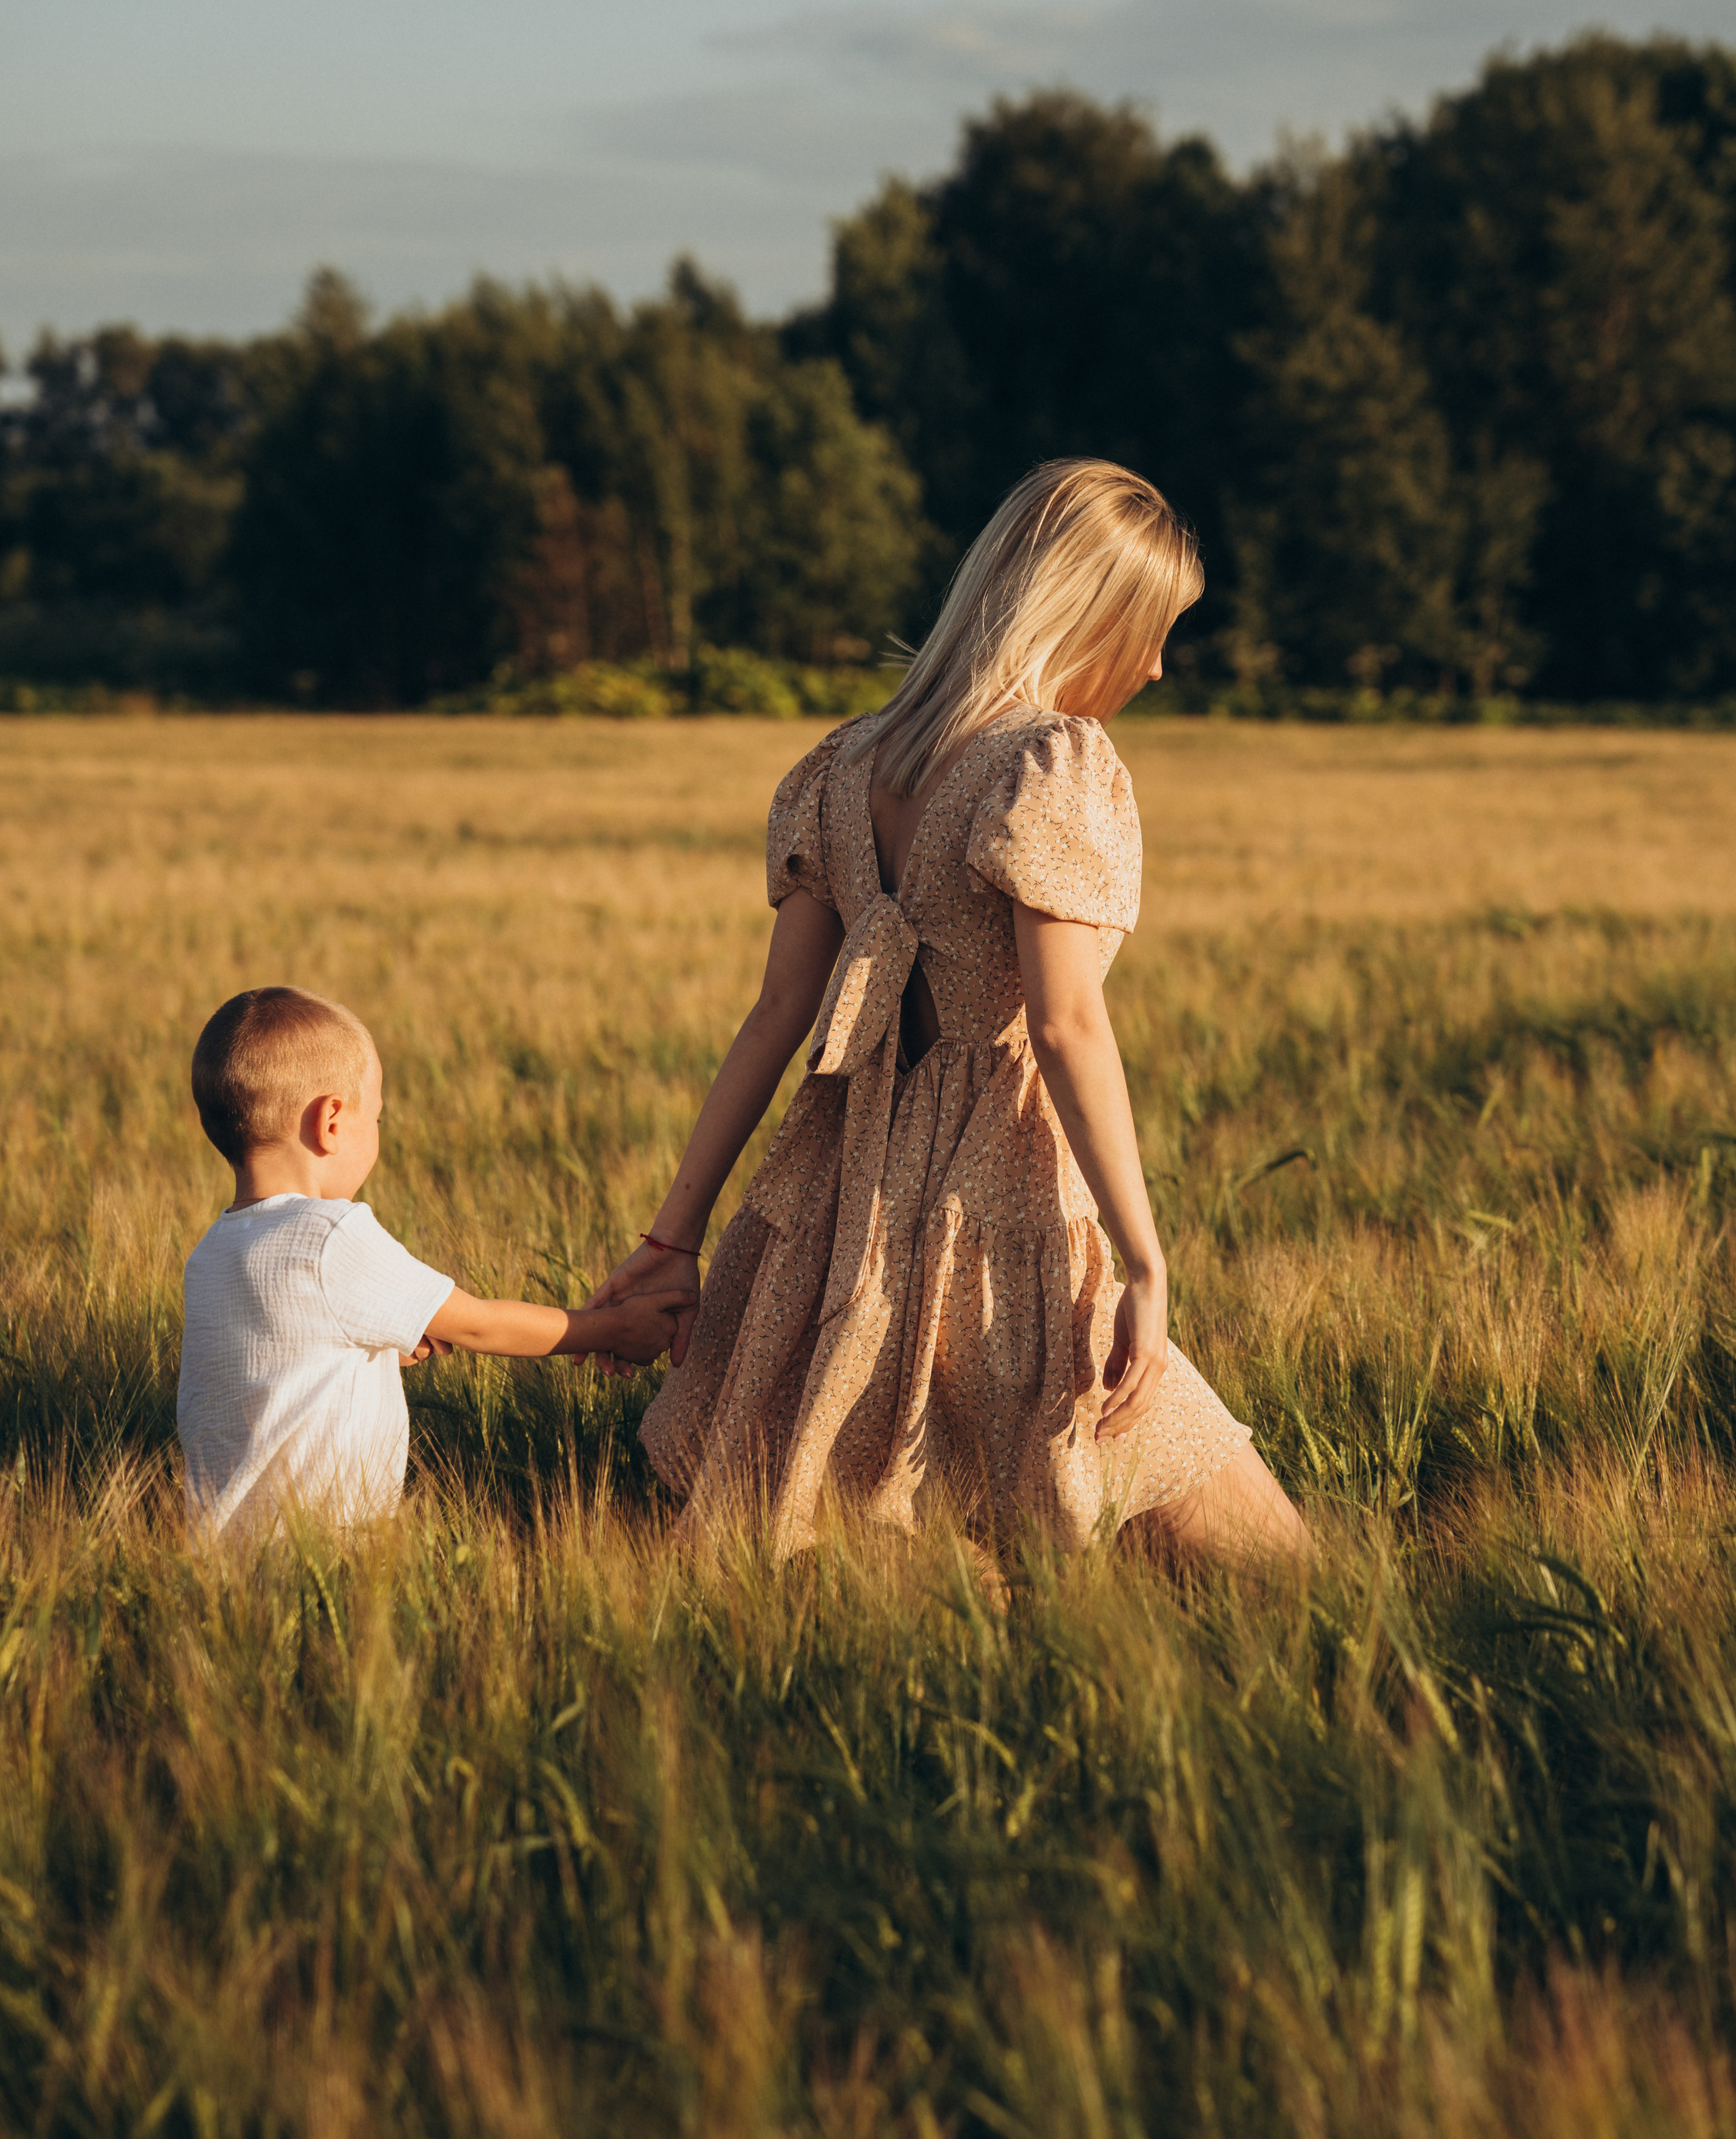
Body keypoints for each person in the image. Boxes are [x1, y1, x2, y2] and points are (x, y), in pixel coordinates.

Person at [592, 460, 1310, 1568]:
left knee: (908, 1568)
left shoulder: (841, 765)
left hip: (840, 1228)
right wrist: (1146, 1266)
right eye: (1153, 629)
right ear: (1088, 610)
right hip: (1006, 1217)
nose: (1161, 665)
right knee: (1292, 1582)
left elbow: (776, 1015)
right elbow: (1065, 1029)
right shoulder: (1054, 763)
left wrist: (672, 1239)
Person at [178, 985, 689, 1545]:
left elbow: (270, 1370)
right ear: (331, 1121)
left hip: (222, 1552)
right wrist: (614, 1328)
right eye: (376, 1118)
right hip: (332, 1545)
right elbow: (478, 1323)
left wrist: (372, 1353)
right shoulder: (331, 1235)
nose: (377, 1133)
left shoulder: (209, 1254)